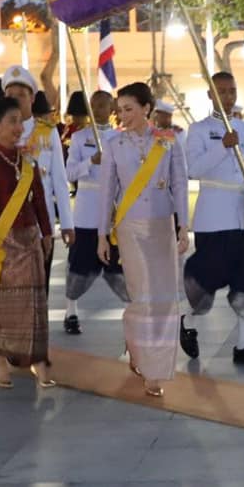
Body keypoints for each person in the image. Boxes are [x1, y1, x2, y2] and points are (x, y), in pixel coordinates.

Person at [97, 82, 188, 397]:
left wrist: (184, 225)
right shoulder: (113, 144)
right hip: (130, 228)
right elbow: (107, 191)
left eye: (129, 109)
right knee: (143, 296)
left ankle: (157, 369)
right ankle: (141, 356)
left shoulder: (168, 141)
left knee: (164, 298)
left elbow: (179, 181)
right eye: (120, 110)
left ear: (147, 108)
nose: (123, 116)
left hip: (162, 226)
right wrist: (101, 235)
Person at [182, 72, 244, 366]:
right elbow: (193, 169)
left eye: (231, 90)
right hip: (214, 216)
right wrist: (223, 146)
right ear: (210, 95)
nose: (228, 96)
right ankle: (187, 320)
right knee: (208, 276)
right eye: (221, 91)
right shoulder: (198, 130)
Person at [0, 97, 56, 389]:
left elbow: (41, 201)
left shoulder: (28, 160)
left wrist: (47, 233)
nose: (18, 127)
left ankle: (39, 360)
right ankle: (0, 359)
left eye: (21, 121)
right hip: (1, 242)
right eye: (12, 121)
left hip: (30, 239)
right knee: (1, 305)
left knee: (34, 304)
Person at [0, 66, 75, 296]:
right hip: (4, 225)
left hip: (41, 224)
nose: (15, 100)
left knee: (40, 290)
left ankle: (38, 332)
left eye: (21, 95)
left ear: (32, 98)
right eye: (10, 95)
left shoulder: (48, 132)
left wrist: (67, 223)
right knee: (11, 291)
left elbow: (60, 181)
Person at [63, 90, 128, 334]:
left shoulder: (120, 139)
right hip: (87, 208)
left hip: (112, 209)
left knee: (117, 263)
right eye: (95, 105)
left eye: (104, 105)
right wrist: (91, 162)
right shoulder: (79, 138)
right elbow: (70, 173)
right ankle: (71, 311)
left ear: (112, 109)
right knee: (79, 262)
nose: (99, 109)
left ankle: (130, 312)